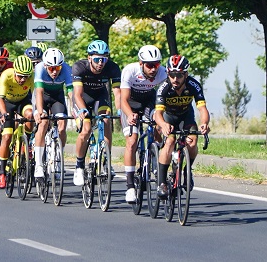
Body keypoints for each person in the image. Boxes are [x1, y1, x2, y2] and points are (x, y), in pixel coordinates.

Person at [155, 55, 210, 198]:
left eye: (179, 75)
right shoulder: (164, 88)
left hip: (186, 116)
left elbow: (202, 109)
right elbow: (158, 114)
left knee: (192, 141)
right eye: (172, 75)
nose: (175, 79)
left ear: (186, 74)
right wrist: (163, 125)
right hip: (168, 117)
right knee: (170, 142)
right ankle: (162, 182)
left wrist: (204, 123)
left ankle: (187, 170)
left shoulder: (194, 85)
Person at [119, 45, 167, 203]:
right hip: (130, 104)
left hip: (148, 102)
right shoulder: (130, 71)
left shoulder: (163, 73)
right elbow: (123, 100)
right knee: (132, 141)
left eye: (156, 64)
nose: (154, 69)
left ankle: (156, 154)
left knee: (159, 123)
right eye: (150, 65)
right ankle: (130, 186)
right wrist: (129, 115)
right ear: (141, 63)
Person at [71, 40, 122, 186]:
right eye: (97, 59)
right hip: (82, 99)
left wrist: (120, 110)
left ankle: (106, 161)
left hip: (100, 96)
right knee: (86, 129)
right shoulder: (79, 67)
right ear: (89, 58)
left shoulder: (112, 68)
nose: (100, 63)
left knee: (106, 119)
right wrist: (82, 110)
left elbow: (117, 93)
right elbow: (77, 94)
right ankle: (79, 166)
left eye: (104, 59)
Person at [32, 48, 74, 183]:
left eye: (58, 68)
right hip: (41, 96)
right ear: (45, 65)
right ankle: (38, 164)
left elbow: (71, 92)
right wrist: (40, 111)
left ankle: (58, 158)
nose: (55, 71)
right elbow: (39, 92)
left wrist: (76, 109)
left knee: (62, 123)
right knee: (43, 123)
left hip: (57, 97)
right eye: (51, 68)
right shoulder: (39, 68)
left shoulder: (67, 69)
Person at [0, 55, 35, 188]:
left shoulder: (31, 77)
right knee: (7, 136)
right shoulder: (6, 75)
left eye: (26, 77)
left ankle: (26, 142)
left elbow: (35, 97)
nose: (23, 79)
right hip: (8, 104)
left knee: (30, 115)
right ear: (15, 72)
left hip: (23, 102)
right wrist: (3, 113)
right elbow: (0, 99)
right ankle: (2, 172)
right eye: (20, 76)